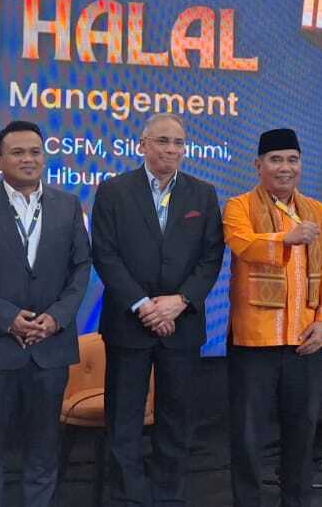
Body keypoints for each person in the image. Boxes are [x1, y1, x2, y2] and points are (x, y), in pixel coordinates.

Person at [0, 120, 92, 507]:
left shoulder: (68, 204)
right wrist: (7, 318)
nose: (29, 159)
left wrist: (56, 318)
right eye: (18, 152)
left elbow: (81, 268)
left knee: (44, 447)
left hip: (50, 348)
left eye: (35, 152)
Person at [91, 113, 225, 506]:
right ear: (142, 145)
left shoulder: (203, 194)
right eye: (163, 141)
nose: (171, 149)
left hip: (182, 325)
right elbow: (105, 254)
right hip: (128, 324)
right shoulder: (113, 191)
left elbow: (211, 257)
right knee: (124, 421)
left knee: (176, 420)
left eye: (178, 143)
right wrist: (143, 305)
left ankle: (169, 498)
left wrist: (180, 302)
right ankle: (128, 499)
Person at [223, 128, 322, 507]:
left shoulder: (317, 212)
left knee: (302, 432)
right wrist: (285, 239)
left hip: (305, 342)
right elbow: (242, 244)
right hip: (254, 342)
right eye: (276, 160)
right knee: (248, 435)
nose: (285, 167)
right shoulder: (239, 207)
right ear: (258, 165)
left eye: (292, 160)